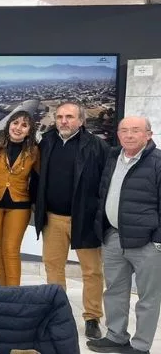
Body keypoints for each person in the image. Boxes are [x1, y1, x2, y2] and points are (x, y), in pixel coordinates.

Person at [34, 101, 108, 340]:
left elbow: (106, 183)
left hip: (85, 218)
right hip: (53, 218)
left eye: (69, 117)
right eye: (60, 117)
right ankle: (58, 313)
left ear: (81, 120)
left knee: (92, 271)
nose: (63, 121)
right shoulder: (47, 142)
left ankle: (92, 317)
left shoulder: (97, 145)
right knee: (53, 267)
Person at [87, 117, 161, 354]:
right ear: (118, 134)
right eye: (124, 130)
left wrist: (158, 240)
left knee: (148, 297)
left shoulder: (158, 162)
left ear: (148, 135)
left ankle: (141, 346)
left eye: (136, 130)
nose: (129, 135)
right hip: (114, 237)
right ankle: (116, 337)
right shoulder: (112, 157)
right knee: (114, 292)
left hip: (147, 243)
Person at [0, 110, 40, 287]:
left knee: (11, 250)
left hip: (20, 206)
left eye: (24, 125)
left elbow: (38, 179)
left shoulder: (34, 151)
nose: (18, 128)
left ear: (29, 131)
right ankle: (3, 292)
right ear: (9, 125)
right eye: (15, 123)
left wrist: (38, 204)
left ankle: (14, 294)